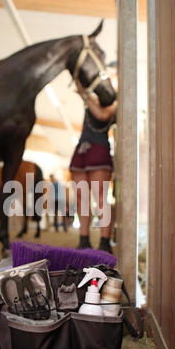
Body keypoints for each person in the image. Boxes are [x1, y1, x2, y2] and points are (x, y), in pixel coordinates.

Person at [69, 80, 117, 253]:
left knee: (100, 196)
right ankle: (84, 239)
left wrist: (85, 95)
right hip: (83, 148)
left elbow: (102, 115)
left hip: (99, 148)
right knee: (81, 197)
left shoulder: (116, 103)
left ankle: (104, 241)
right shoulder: (94, 99)